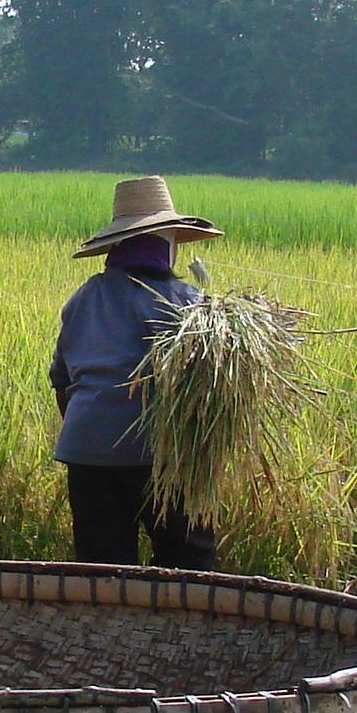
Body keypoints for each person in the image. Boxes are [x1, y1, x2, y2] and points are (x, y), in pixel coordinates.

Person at [48, 176, 222, 569]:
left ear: (118, 245)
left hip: (88, 449)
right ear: (166, 246)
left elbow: (62, 382)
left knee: (103, 569)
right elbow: (212, 390)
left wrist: (99, 433)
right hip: (164, 453)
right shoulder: (189, 303)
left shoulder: (85, 296)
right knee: (187, 564)